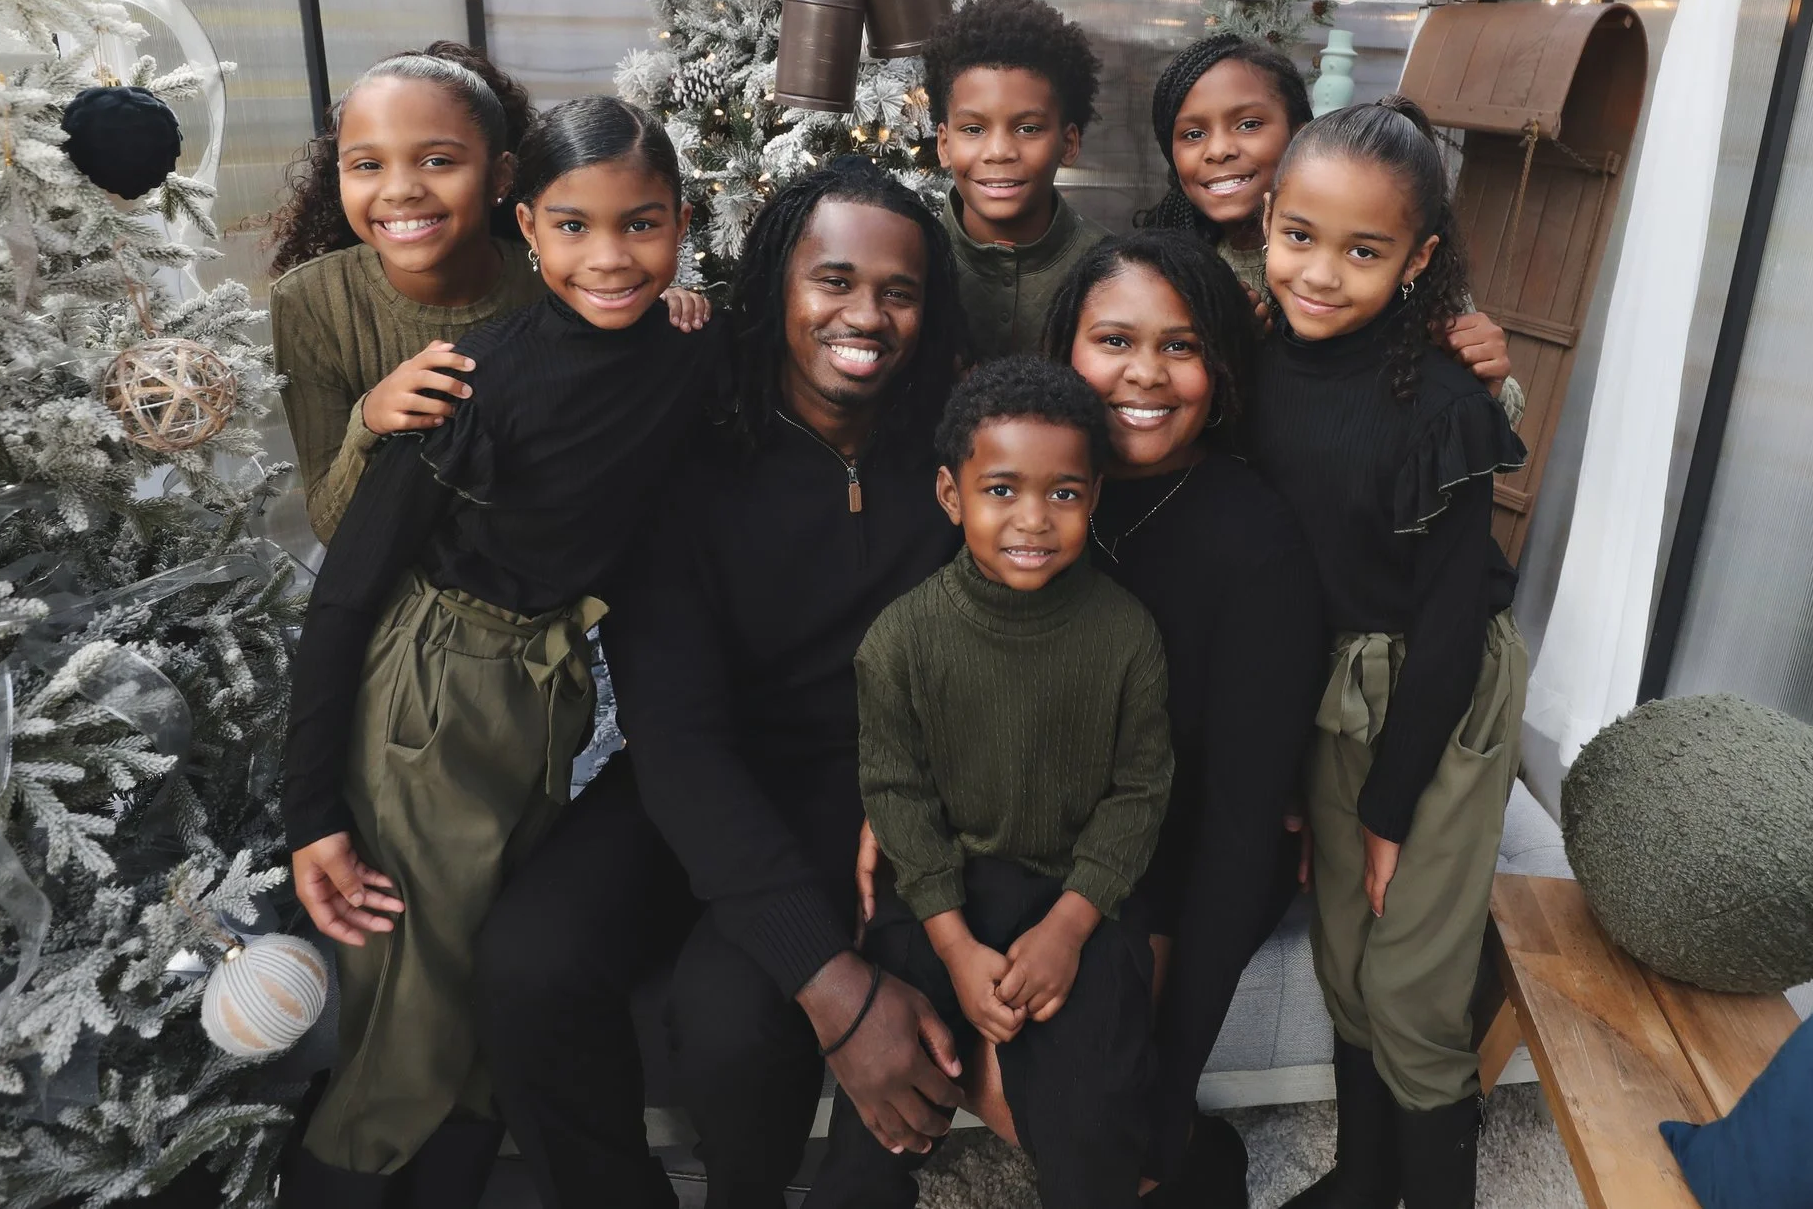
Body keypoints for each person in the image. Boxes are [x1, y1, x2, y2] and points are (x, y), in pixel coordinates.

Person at [472, 154, 972, 1209]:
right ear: (777, 287)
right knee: (527, 963)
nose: (865, 313)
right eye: (832, 279)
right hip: (694, 768)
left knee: (732, 1013)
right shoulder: (690, 451)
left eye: (898, 289)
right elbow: (678, 735)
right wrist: (836, 986)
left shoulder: (958, 459)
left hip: (866, 786)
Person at [280, 97, 721, 1208]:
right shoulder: (471, 379)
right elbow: (344, 598)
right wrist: (312, 816)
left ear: (680, 222)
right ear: (527, 225)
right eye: (573, 226)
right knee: (410, 1034)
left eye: (644, 223)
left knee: (485, 1022)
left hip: (544, 690)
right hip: (427, 698)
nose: (611, 256)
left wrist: (698, 307)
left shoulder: (686, 346)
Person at [1247, 96, 1530, 1209]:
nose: (1320, 271)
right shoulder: (1253, 360)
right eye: (1299, 235)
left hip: (1434, 696)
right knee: (1345, 960)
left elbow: (1454, 618)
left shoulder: (1446, 399)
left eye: (1363, 250)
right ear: (1267, 216)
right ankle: (1362, 1183)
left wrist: (1389, 808)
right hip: (1325, 686)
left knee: (1412, 984)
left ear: (1416, 261)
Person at [809, 357, 1173, 1209]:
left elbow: (1141, 791)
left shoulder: (1128, 635)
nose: (1033, 520)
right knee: (880, 1116)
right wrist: (953, 948)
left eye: (1065, 494)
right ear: (951, 493)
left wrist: (1070, 928)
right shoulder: (902, 638)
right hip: (943, 900)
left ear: (1095, 494)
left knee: (1095, 1126)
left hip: (1077, 898)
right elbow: (896, 795)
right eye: (1002, 490)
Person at [1044, 232, 1326, 1207]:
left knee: (1121, 1115)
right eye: (1113, 339)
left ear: (1220, 368)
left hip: (1178, 858)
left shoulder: (1253, 537)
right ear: (1064, 351)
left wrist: (1171, 1082)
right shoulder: (1020, 492)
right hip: (1031, 843)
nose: (1145, 374)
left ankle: (1194, 1160)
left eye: (1181, 344)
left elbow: (1242, 830)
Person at [267, 46, 708, 542]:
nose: (400, 190)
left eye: (436, 160)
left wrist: (652, 304)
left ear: (501, 176)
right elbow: (332, 528)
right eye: (367, 165)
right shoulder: (309, 300)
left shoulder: (557, 277)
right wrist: (369, 420)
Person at [1135, 34, 1519, 409]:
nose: (1218, 150)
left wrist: (1484, 374)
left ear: (1301, 134)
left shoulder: (1403, 277)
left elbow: (1495, 422)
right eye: (1193, 134)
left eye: (1249, 124)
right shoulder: (1173, 272)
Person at [926, 0, 1110, 358]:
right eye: (974, 129)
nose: (999, 151)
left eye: (1027, 129)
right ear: (944, 145)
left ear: (1068, 143)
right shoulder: (911, 256)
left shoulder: (1109, 268)